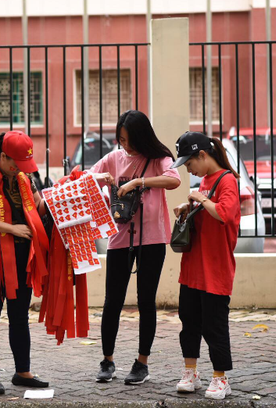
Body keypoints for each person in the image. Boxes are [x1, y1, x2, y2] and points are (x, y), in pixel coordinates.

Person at [88, 110, 181, 384]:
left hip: (152, 239)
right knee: (112, 301)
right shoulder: (114, 158)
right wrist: (102, 180)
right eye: (121, 140)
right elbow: (87, 177)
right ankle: (107, 360)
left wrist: (139, 182)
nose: (125, 146)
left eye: (129, 140)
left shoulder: (157, 158)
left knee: (145, 302)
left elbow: (174, 180)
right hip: (119, 237)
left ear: (142, 137)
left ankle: (142, 363)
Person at [0, 131, 50, 395]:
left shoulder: (24, 177)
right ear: (2, 156)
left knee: (20, 317)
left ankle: (22, 371)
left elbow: (38, 207)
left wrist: (56, 200)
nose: (19, 169)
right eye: (15, 163)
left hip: (22, 257)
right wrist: (12, 229)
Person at [171, 131, 241, 400]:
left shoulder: (227, 181)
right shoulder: (206, 181)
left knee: (214, 325)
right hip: (193, 267)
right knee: (188, 321)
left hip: (215, 267)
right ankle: (191, 372)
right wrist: (187, 207)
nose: (189, 169)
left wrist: (200, 199)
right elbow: (206, 211)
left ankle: (220, 378)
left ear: (202, 155)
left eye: (190, 164)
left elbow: (223, 213)